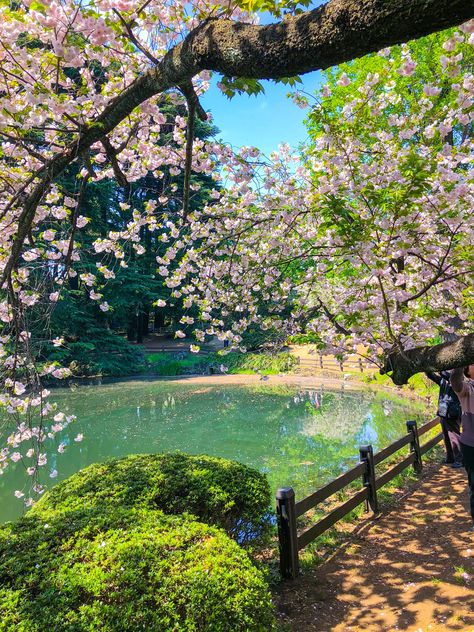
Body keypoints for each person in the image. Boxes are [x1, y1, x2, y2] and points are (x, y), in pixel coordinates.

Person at [450, 364, 474, 531]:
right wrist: (459, 359)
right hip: (471, 444)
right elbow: (455, 382)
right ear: (468, 370)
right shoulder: (467, 389)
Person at [426, 371, 463, 468]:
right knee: (446, 436)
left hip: (452, 412)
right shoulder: (443, 381)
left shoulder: (457, 380)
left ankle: (460, 459)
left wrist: (441, 371)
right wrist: (426, 369)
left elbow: (449, 377)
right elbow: (432, 377)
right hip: (443, 411)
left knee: (454, 436)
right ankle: (450, 457)